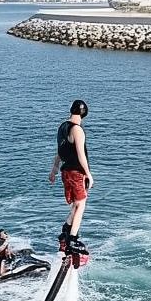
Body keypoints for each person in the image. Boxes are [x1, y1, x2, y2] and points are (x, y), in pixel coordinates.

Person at [48, 99, 94, 255]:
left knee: (75, 204)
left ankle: (65, 233)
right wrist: (88, 174)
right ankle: (72, 239)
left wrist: (54, 169)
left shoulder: (62, 127)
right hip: (76, 172)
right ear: (84, 114)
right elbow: (81, 155)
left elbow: (60, 151)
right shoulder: (77, 130)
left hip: (66, 171)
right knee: (81, 204)